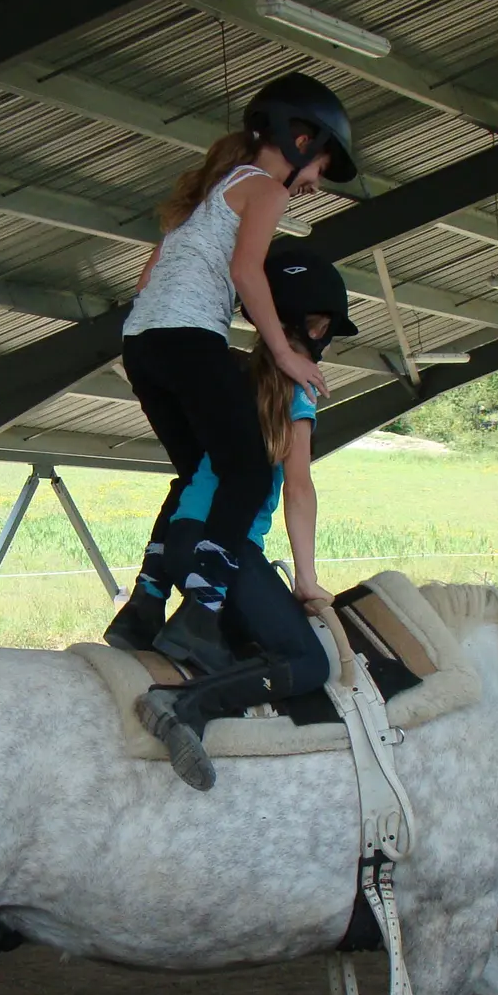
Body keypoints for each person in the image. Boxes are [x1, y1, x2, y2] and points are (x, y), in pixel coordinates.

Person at [105, 71, 358, 677]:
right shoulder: (263, 188)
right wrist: (286, 351)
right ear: (299, 140)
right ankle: (201, 614)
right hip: (190, 339)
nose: (315, 184)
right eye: (320, 167)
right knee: (246, 469)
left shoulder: (201, 198)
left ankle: (142, 604)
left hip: (141, 346)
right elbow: (248, 273)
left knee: (200, 468)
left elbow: (146, 282)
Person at [133, 245, 358, 790]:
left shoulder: (229, 378)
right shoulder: (296, 392)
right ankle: (185, 709)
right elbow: (299, 488)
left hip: (183, 536)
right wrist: (305, 579)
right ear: (318, 323)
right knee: (308, 663)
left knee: (247, 639)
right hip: (227, 546)